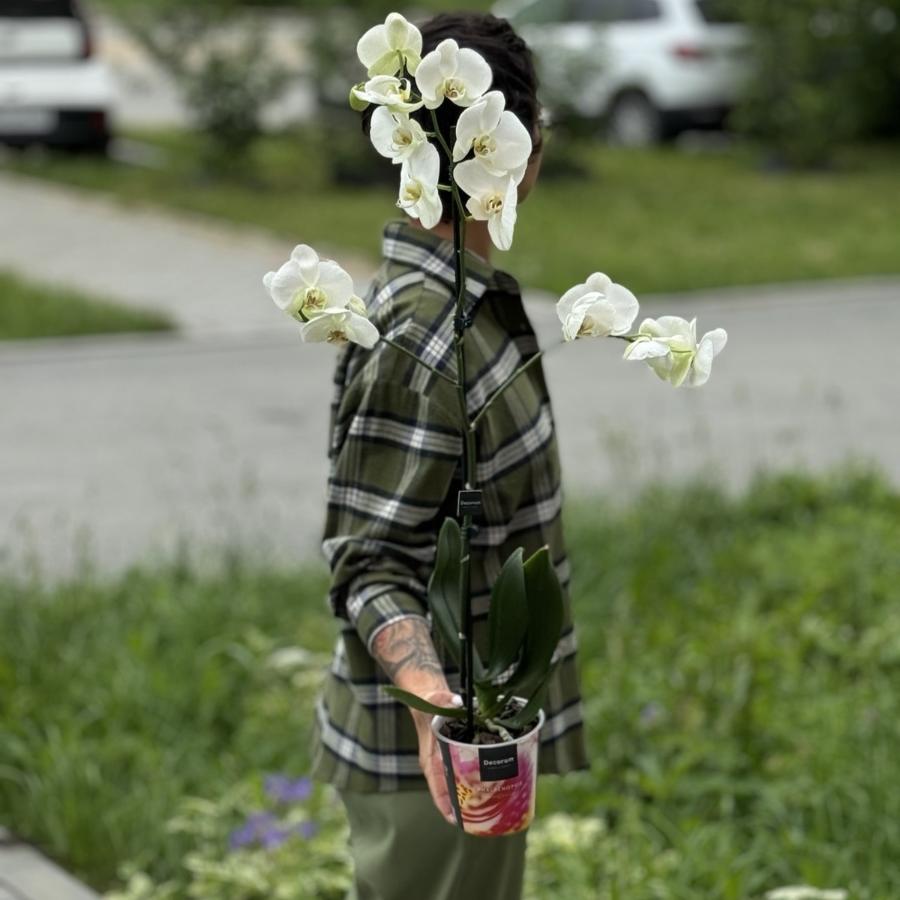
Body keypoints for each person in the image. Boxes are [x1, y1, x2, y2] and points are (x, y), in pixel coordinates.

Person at [310, 12, 588, 900]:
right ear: (522, 150)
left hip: (476, 745)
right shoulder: (425, 341)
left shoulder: (466, 312)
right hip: (429, 761)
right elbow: (369, 564)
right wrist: (442, 713)